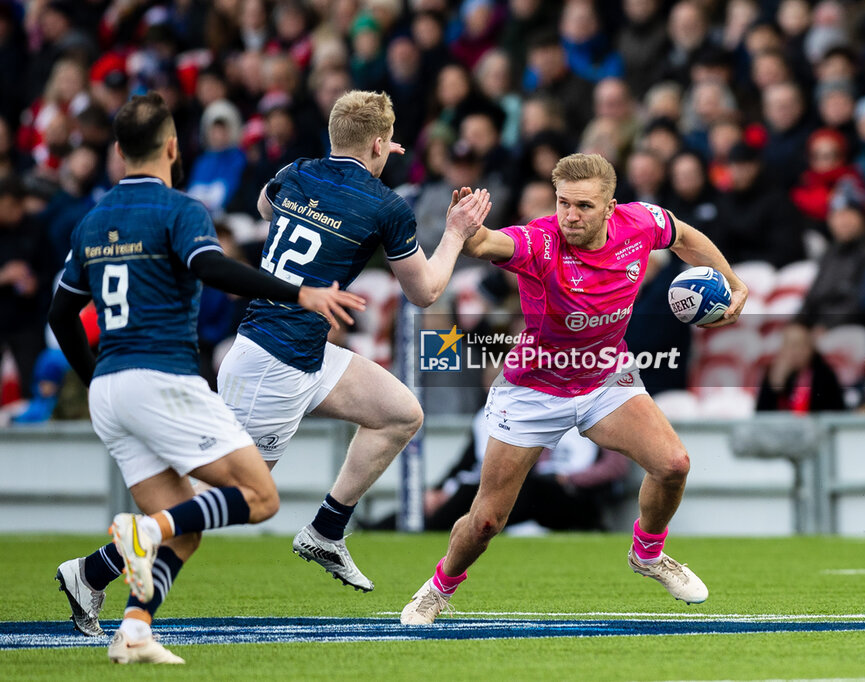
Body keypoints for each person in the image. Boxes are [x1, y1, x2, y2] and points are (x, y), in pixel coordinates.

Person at [57, 89, 492, 643]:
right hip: (272, 363)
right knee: (223, 501)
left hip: (300, 350)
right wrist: (455, 232)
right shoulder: (387, 204)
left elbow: (267, 207)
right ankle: (92, 570)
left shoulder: (296, 171)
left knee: (400, 413)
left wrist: (349, 172)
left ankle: (326, 530)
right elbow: (427, 292)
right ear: (382, 144)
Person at [48, 93, 365, 664]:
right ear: (173, 146)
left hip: (110, 389)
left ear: (118, 152)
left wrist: (99, 378)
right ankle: (138, 539)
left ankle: (127, 619)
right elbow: (209, 267)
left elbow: (59, 315)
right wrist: (300, 292)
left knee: (182, 529)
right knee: (258, 497)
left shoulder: (91, 221)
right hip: (162, 379)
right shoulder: (180, 209)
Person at [398, 153, 748, 625]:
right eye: (563, 203)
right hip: (532, 390)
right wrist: (463, 229)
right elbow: (487, 244)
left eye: (583, 205)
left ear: (611, 207)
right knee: (486, 522)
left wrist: (732, 280)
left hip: (604, 377)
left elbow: (684, 236)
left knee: (674, 465)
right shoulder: (539, 240)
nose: (570, 215)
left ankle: (647, 553)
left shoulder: (640, 222)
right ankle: (439, 587)